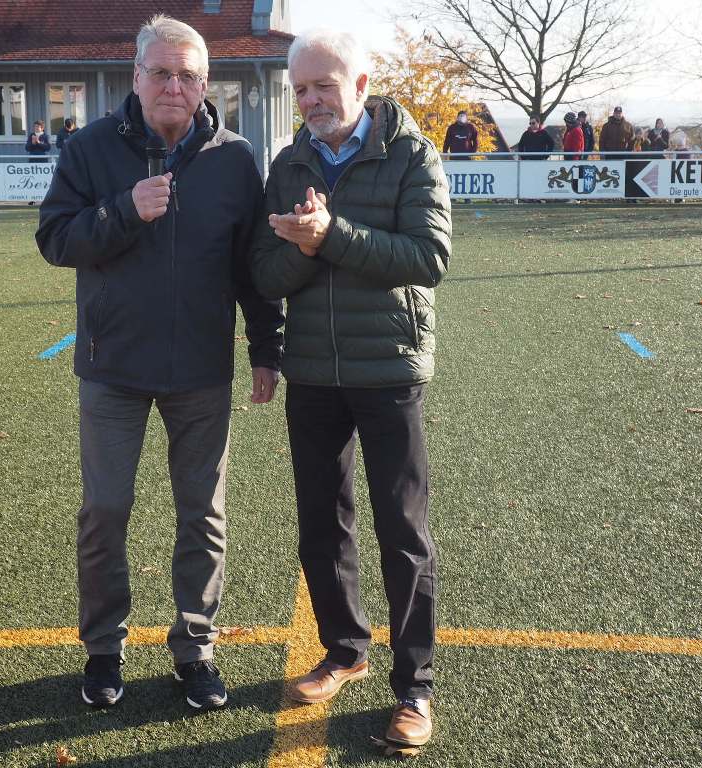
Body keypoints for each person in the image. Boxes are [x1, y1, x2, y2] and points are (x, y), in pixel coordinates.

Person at [35, 14, 284, 713]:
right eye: (161, 72)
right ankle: (103, 649)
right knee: (105, 510)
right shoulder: (89, 149)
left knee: (203, 515)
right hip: (112, 367)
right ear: (136, 77)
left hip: (202, 371)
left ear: (206, 84)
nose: (174, 85)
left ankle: (195, 649)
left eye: (188, 75)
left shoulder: (236, 158)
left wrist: (266, 348)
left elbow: (251, 268)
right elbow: (54, 238)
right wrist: (122, 211)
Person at [250, 28, 450, 751]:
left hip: (389, 369)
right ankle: (344, 651)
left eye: (323, 86)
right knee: (321, 524)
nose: (309, 101)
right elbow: (265, 275)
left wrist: (327, 236)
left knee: (403, 531)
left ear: (362, 84)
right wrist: (304, 248)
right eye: (299, 89)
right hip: (314, 374)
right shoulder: (288, 161)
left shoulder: (410, 153)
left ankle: (415, 689)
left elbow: (428, 257)